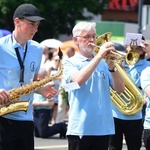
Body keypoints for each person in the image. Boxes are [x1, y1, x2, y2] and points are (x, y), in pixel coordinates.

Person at [0, 3, 58, 150]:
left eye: (37, 25)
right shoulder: (0, 46)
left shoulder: (37, 49)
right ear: (17, 22)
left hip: (26, 117)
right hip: (3, 116)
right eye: (31, 24)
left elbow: (32, 82)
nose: (35, 29)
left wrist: (42, 89)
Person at [63, 21, 125, 150]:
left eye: (93, 36)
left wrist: (112, 67)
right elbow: (77, 82)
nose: (91, 40)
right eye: (86, 37)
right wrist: (99, 57)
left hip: (103, 128)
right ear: (76, 40)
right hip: (81, 128)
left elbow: (120, 89)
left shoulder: (103, 63)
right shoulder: (70, 62)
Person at [109, 35, 150, 150]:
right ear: (126, 46)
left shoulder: (147, 66)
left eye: (138, 48)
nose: (134, 50)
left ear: (142, 50)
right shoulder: (117, 63)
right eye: (131, 46)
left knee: (134, 147)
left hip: (135, 115)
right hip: (114, 114)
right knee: (113, 147)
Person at [33, 68, 67, 139]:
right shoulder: (35, 84)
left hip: (44, 111)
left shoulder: (48, 85)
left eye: (39, 76)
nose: (37, 78)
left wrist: (37, 104)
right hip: (35, 111)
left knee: (44, 134)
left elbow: (51, 103)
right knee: (37, 134)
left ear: (44, 76)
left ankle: (61, 126)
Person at [56, 46, 75, 123]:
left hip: (73, 85)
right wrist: (63, 77)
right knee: (61, 105)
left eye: (69, 53)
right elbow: (59, 74)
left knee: (72, 105)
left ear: (73, 52)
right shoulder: (64, 60)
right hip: (64, 85)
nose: (68, 55)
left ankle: (71, 122)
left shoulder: (76, 60)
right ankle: (58, 123)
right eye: (67, 54)